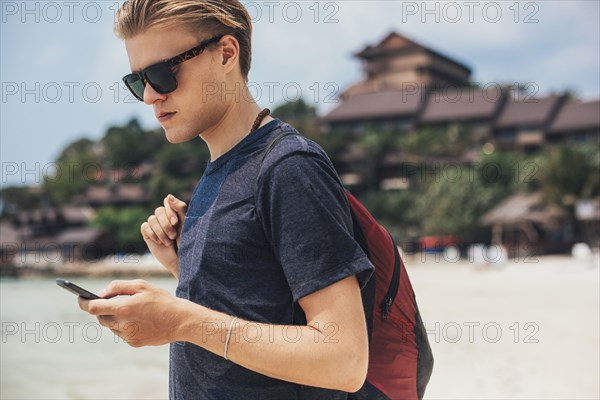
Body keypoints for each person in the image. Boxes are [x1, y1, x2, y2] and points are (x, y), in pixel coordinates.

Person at [78, 1, 374, 398]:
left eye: (162, 74)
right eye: (138, 81)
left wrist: (180, 320)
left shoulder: (288, 166)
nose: (150, 96)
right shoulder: (222, 170)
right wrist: (184, 269)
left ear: (226, 53)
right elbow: (254, 310)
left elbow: (345, 360)